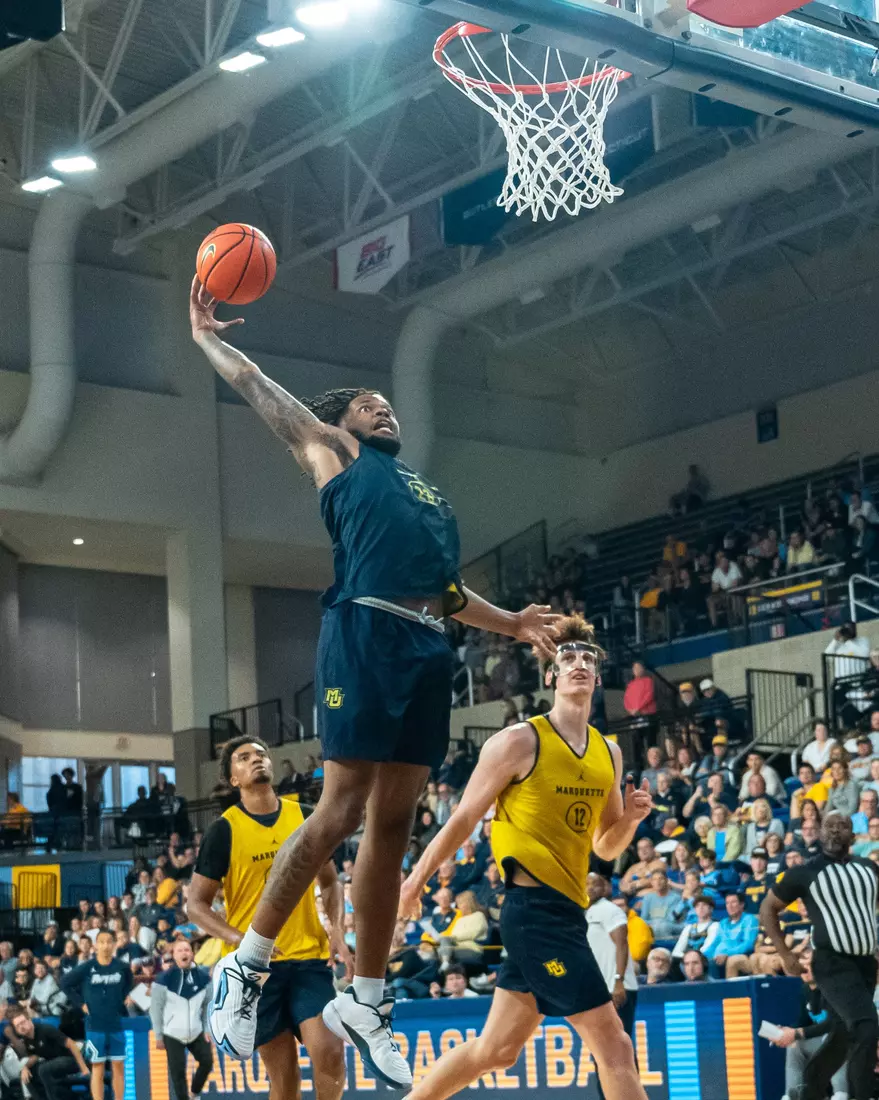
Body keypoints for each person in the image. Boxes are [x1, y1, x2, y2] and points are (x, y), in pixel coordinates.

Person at [190, 280, 559, 1084]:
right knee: (341, 807)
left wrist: (518, 625)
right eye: (367, 403)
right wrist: (211, 340)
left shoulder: (425, 492)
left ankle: (366, 996)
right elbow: (264, 394)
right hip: (363, 630)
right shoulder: (333, 453)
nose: (382, 410)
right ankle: (247, 965)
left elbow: (449, 592)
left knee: (393, 821)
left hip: (428, 647)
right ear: (341, 421)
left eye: (387, 404)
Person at [397, 615, 653, 1100]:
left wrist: (633, 819)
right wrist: (416, 880)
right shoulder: (519, 740)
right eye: (568, 657)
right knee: (615, 1045)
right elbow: (463, 818)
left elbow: (605, 846)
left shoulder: (609, 753)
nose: (579, 664)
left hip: (566, 913)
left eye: (588, 658)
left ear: (598, 677)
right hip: (533, 913)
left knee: (497, 1051)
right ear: (551, 676)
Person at [187, 737, 350, 1099]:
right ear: (233, 780)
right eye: (243, 758)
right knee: (284, 1079)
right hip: (257, 969)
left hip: (309, 958)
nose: (255, 760)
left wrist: (336, 929)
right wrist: (236, 938)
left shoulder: (305, 815)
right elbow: (196, 905)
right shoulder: (223, 830)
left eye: (260, 754)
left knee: (330, 1052)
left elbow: (330, 881)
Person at [760, 814, 879, 1100]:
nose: (836, 830)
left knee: (842, 1034)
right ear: (820, 834)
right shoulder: (805, 871)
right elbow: (767, 909)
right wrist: (785, 954)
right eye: (830, 826)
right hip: (832, 963)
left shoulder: (869, 867)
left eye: (843, 826)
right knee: (866, 1027)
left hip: (866, 963)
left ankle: (810, 1088)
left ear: (853, 834)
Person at [584, 874, 639, 1100]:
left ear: (605, 887)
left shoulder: (610, 910)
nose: (590, 888)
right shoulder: (584, 913)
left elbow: (622, 943)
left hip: (616, 987)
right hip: (599, 990)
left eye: (595, 884)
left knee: (618, 1050)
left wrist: (618, 980)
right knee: (601, 1052)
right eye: (586, 884)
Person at [60, 929, 132, 1100]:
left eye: (109, 942)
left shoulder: (122, 967)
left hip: (116, 1024)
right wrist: (81, 1003)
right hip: (94, 1026)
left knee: (118, 1066)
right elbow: (64, 983)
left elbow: (129, 984)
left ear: (115, 944)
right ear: (95, 945)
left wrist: (122, 998)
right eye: (102, 942)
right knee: (97, 1068)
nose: (105, 945)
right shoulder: (86, 968)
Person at [769, 950, 849, 1100]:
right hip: (822, 1042)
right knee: (794, 1046)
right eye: (802, 964)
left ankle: (841, 1093)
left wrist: (797, 1033)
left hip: (848, 1041)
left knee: (832, 1038)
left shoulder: (833, 988)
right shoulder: (805, 990)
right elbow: (802, 1022)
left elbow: (833, 1024)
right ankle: (792, 1094)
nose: (805, 969)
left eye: (810, 964)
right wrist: (785, 1032)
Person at [150, 939, 213, 1100]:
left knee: (207, 1062)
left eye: (187, 950)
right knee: (178, 1073)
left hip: (196, 1030)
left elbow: (208, 1006)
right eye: (180, 951)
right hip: (172, 1033)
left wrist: (207, 1028)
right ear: (174, 956)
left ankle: (194, 1093)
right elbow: (155, 1009)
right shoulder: (163, 979)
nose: (184, 953)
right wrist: (158, 1035)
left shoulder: (204, 978)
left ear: (192, 954)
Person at [9, 1011, 89, 1100]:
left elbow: (71, 1044)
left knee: (44, 1069)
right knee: (29, 1073)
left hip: (74, 1058)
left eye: (22, 1022)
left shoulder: (45, 1029)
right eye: (18, 1026)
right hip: (57, 1063)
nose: (21, 1027)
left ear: (29, 1020)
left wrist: (84, 1068)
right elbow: (34, 1056)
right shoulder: (27, 1040)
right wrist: (25, 1068)